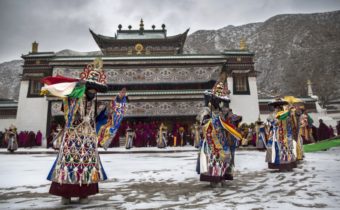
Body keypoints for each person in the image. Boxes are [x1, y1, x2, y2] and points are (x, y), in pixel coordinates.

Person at [42, 58, 108, 204]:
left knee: (87, 165)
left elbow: (96, 119)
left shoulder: (94, 102)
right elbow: (66, 107)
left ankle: (84, 193)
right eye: (91, 88)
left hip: (89, 138)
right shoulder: (74, 97)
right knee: (68, 163)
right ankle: (65, 194)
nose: (93, 92)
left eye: (95, 90)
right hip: (73, 136)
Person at [197, 72, 242, 185]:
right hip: (211, 139)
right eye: (217, 100)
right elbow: (202, 122)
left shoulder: (222, 111)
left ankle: (222, 175)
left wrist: (234, 119)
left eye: (220, 100)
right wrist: (209, 121)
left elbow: (230, 117)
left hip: (222, 138)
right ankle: (214, 179)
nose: (219, 102)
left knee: (224, 157)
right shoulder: (206, 110)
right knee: (214, 158)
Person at [265, 98, 297, 171]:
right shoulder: (273, 115)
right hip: (277, 135)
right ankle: (282, 165)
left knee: (285, 149)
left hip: (284, 135)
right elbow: (269, 124)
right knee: (278, 149)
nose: (277, 109)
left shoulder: (286, 115)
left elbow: (291, 124)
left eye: (278, 108)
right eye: (276, 108)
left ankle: (285, 165)